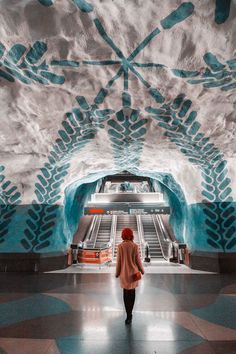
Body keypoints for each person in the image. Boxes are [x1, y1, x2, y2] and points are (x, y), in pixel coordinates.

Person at [115, 227, 145, 325]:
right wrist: (142, 270)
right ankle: (130, 315)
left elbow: (118, 262)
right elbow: (138, 260)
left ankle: (127, 314)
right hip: (133, 274)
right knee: (132, 293)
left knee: (125, 293)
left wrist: (117, 273)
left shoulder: (120, 246)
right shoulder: (135, 246)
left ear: (123, 235)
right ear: (131, 235)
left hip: (124, 274)